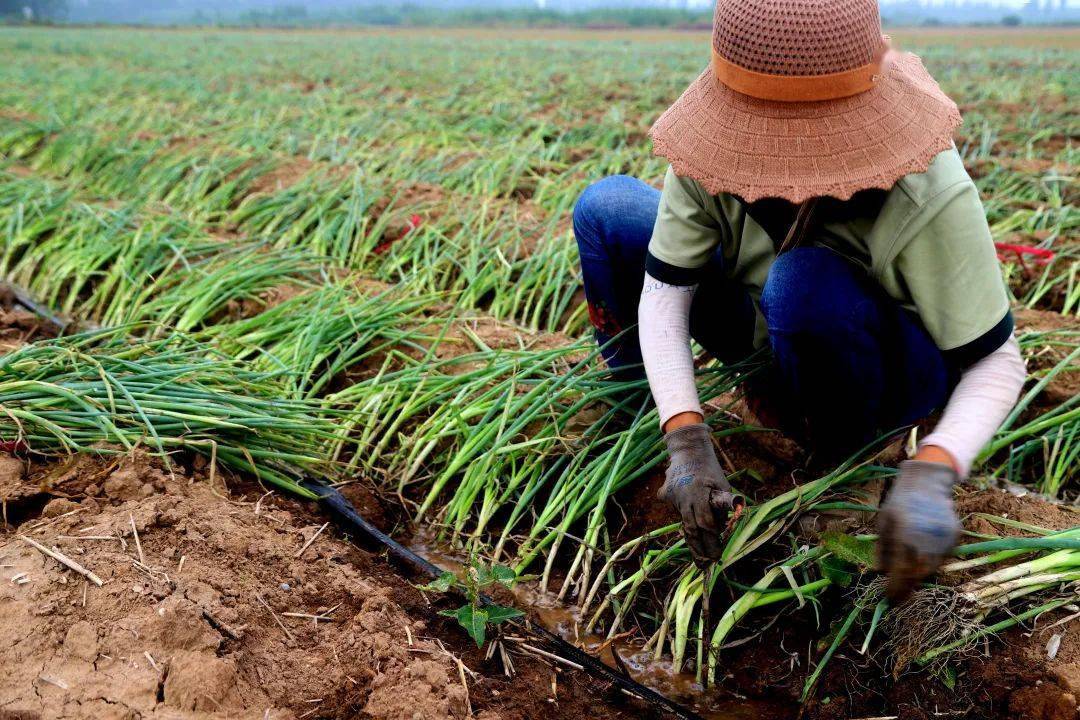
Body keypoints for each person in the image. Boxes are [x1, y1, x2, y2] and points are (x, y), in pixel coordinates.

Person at [572, 0, 1026, 600]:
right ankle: (632, 422)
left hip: (881, 364)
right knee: (608, 210)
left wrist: (936, 466)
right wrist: (685, 435)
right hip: (766, 329)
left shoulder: (927, 186)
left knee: (802, 281)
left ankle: (853, 459)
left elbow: (997, 363)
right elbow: (664, 292)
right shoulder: (712, 150)